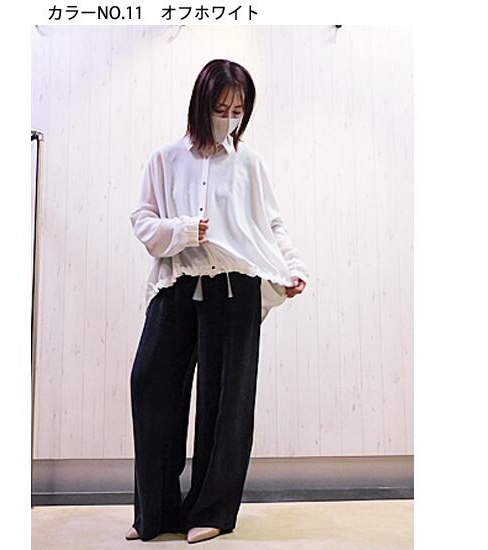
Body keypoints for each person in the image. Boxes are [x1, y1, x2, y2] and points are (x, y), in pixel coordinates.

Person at [126, 59, 311, 544]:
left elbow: (271, 225)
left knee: (227, 401)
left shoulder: (249, 163)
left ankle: (212, 510)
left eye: (237, 111)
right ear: (200, 104)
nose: (228, 119)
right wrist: (182, 230)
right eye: (220, 109)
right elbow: (143, 220)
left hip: (236, 288)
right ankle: (156, 513)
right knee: (151, 385)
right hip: (177, 285)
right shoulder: (165, 158)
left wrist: (293, 267)